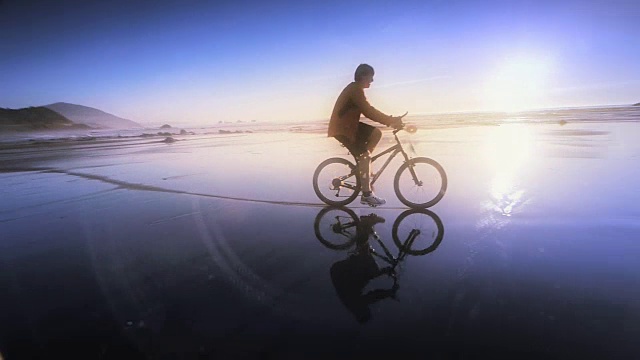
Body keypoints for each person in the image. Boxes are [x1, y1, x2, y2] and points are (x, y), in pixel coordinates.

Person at [328, 64, 404, 207]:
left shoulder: (356, 89)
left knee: (376, 133)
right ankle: (367, 195)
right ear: (363, 76)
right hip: (343, 129)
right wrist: (390, 120)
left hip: (349, 125)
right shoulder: (355, 89)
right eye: (371, 77)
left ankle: (364, 164)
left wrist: (390, 121)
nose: (372, 80)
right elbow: (368, 111)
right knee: (364, 155)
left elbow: (369, 111)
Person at [329, 213, 398, 323]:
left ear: (363, 312)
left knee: (368, 264)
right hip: (340, 273)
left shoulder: (356, 305)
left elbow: (373, 296)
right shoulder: (353, 306)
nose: (368, 308)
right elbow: (372, 296)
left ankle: (365, 224)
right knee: (367, 264)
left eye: (367, 310)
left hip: (341, 272)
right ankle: (363, 228)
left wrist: (389, 292)